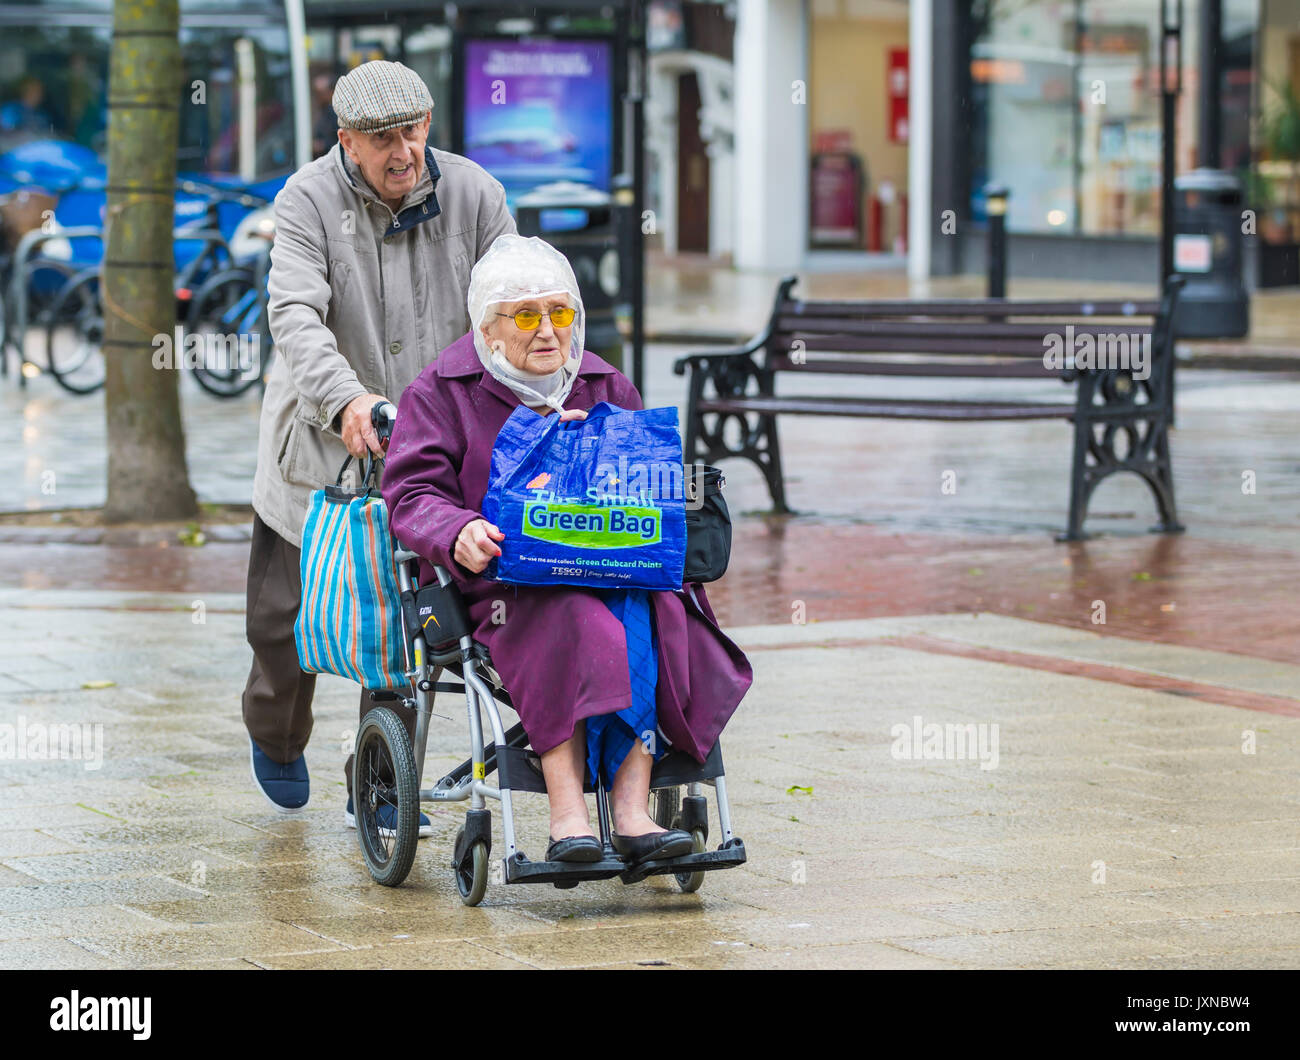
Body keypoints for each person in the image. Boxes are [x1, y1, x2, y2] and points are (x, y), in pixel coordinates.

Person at [380, 235, 753, 866]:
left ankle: (633, 814)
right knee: (573, 615)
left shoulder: (606, 384)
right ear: (488, 330)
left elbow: (656, 493)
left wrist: (618, 459)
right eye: (526, 315)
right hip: (503, 585)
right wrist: (458, 530)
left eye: (560, 312)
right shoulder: (441, 392)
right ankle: (567, 814)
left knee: (658, 611)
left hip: (618, 572)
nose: (548, 331)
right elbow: (411, 494)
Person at [244, 60, 516, 826]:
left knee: (402, 622)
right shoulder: (306, 199)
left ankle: (383, 788)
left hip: (429, 447)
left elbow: (509, 297)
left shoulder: (474, 193)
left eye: (414, 130)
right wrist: (347, 397)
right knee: (280, 620)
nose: (404, 151)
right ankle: (275, 729)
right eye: (382, 138)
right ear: (347, 143)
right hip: (323, 438)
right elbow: (294, 312)